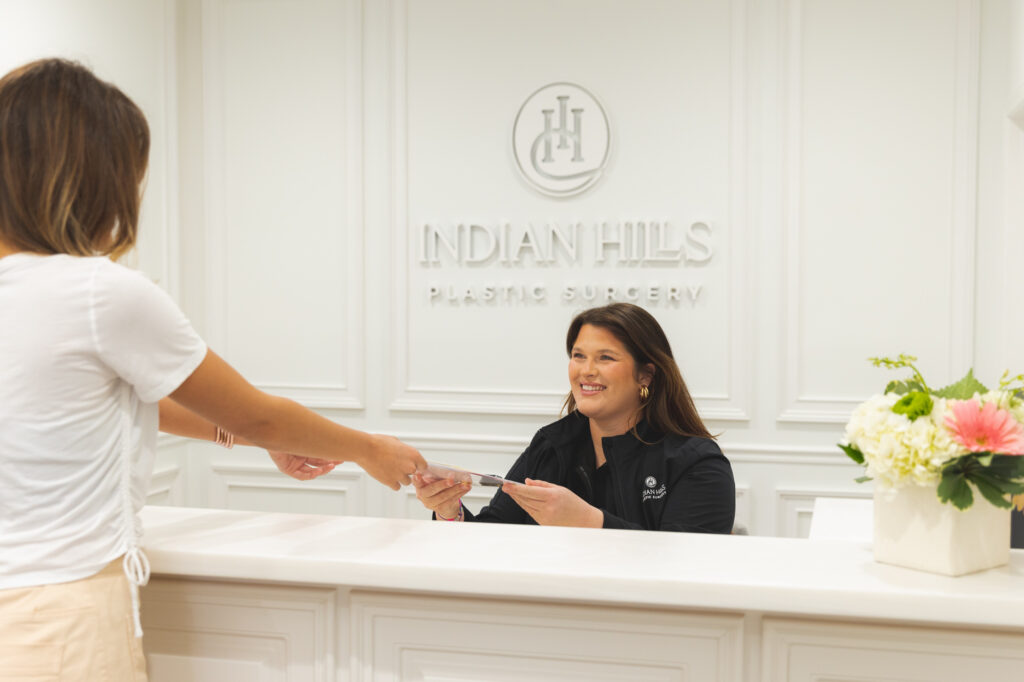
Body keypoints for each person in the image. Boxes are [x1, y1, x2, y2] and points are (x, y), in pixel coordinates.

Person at [0, 58, 426, 681]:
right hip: (59, 614)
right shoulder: (98, 293)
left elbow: (103, 397)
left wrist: (242, 437)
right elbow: (254, 412)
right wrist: (370, 449)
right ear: (95, 178)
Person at [413, 302, 736, 532]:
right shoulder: (552, 444)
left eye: (605, 357)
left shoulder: (697, 464)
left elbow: (689, 567)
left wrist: (589, 522)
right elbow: (496, 537)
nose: (586, 370)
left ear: (646, 375)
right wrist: (448, 511)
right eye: (578, 356)